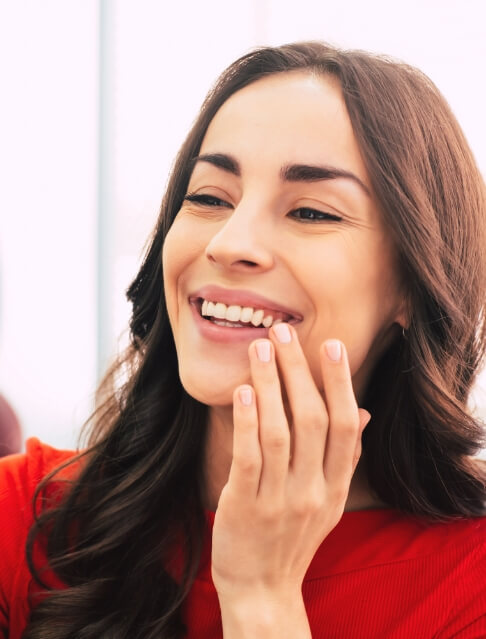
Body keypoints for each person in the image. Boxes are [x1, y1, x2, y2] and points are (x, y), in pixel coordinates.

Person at [0, 41, 485, 639]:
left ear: (413, 286)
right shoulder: (22, 518)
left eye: (311, 212)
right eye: (208, 198)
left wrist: (262, 598)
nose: (229, 243)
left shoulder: (470, 580)